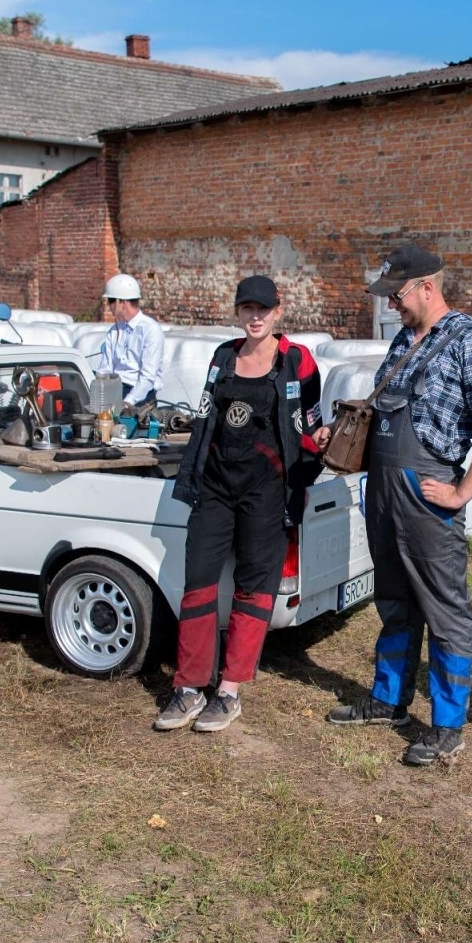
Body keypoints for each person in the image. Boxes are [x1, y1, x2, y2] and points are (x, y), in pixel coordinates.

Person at [325, 243, 472, 766]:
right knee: (393, 600)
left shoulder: (469, 342)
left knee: (445, 610)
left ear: (427, 286)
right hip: (383, 491)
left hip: (428, 495)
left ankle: (448, 726)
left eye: (397, 295)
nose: (391, 306)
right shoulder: (407, 339)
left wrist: (460, 492)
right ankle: (389, 700)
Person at [155, 275, 331, 733]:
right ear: (238, 312)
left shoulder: (298, 360)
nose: (254, 317)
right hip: (215, 486)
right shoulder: (223, 357)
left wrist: (320, 444)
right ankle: (189, 686)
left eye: (263, 309)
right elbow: (209, 416)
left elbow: (310, 422)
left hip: (267, 489)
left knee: (254, 586)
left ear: (278, 311)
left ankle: (229, 690)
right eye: (246, 308)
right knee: (199, 581)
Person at [93, 273, 164, 409]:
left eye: (111, 301)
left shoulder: (150, 329)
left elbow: (147, 377)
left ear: (123, 303)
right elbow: (104, 370)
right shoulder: (114, 331)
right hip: (115, 393)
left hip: (142, 398)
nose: (109, 305)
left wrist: (128, 402)